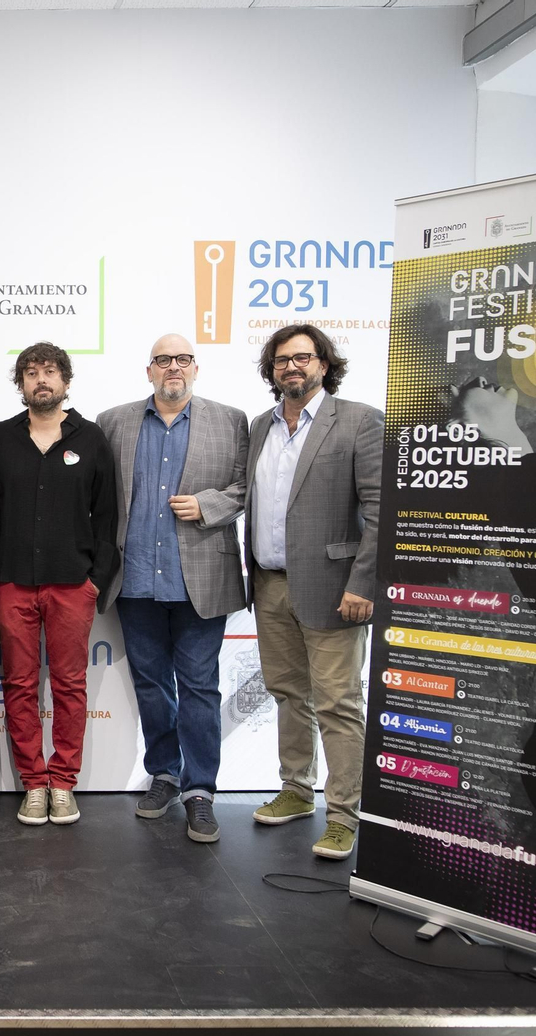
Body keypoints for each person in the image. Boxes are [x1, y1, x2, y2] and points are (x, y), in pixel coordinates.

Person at [97, 333, 248, 844]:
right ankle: (164, 773)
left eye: (182, 359)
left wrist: (209, 504)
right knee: (152, 685)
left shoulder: (230, 420)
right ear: (149, 370)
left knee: (200, 686)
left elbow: (245, 487)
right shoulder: (114, 422)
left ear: (195, 368)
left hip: (201, 581)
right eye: (163, 360)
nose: (173, 368)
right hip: (135, 579)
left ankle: (200, 790)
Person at [244, 323, 382, 861]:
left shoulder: (358, 420)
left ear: (325, 364)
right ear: (271, 369)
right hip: (270, 584)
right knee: (286, 695)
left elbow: (379, 511)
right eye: (281, 360)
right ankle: (297, 790)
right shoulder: (261, 426)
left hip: (334, 590)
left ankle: (346, 815)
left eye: (303, 358)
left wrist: (363, 583)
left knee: (339, 704)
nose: (291, 367)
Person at [0, 341, 119, 827]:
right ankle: (33, 784)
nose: (42, 379)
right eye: (31, 372)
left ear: (66, 382)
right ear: (21, 385)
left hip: (71, 586)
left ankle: (64, 784)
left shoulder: (92, 439)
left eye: (51, 372)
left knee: (70, 686)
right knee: (17, 685)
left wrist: (95, 582)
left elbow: (107, 518)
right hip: (11, 584)